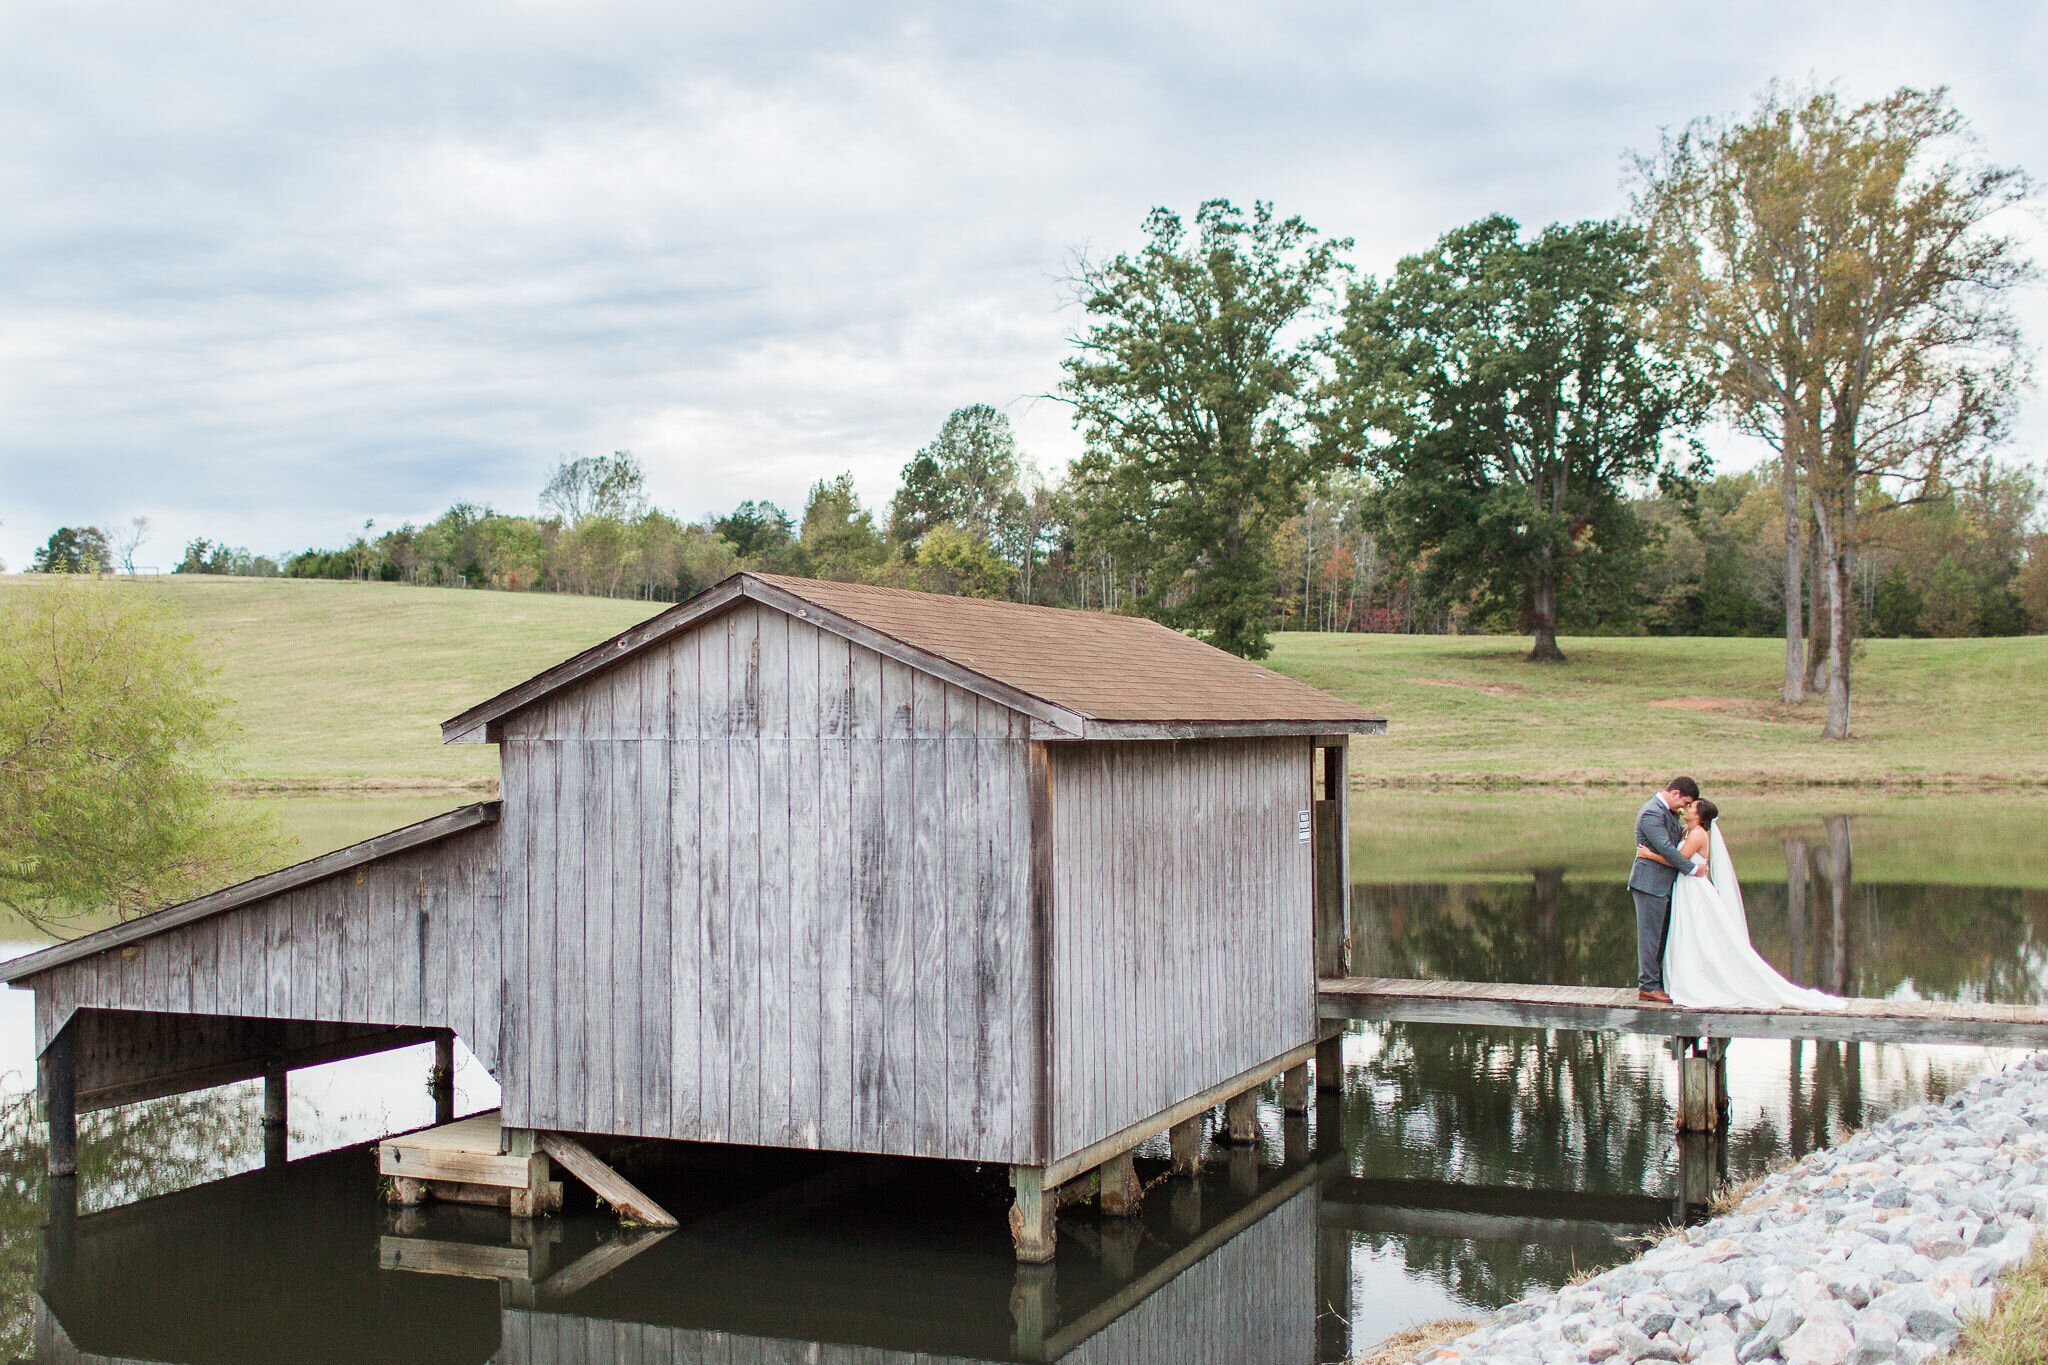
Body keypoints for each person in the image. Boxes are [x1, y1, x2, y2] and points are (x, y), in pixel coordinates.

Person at [1639, 800, 1846, 1011]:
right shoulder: (1687, 831)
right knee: (1689, 933)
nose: (1688, 808)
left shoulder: (1698, 834)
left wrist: (1649, 856)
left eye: (1692, 807)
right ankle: (1688, 977)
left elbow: (1679, 860)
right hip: (1686, 888)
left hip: (1694, 891)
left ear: (1700, 815)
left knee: (1698, 933)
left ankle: (1702, 982)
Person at [1629, 777, 1705, 1004]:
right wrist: (1692, 869)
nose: (1684, 808)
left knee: (1661, 937)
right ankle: (1648, 987)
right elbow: (1666, 848)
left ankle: (1658, 983)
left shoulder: (1668, 812)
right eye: (1685, 802)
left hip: (1663, 883)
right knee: (1650, 937)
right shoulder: (1652, 813)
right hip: (1649, 884)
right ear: (1675, 793)